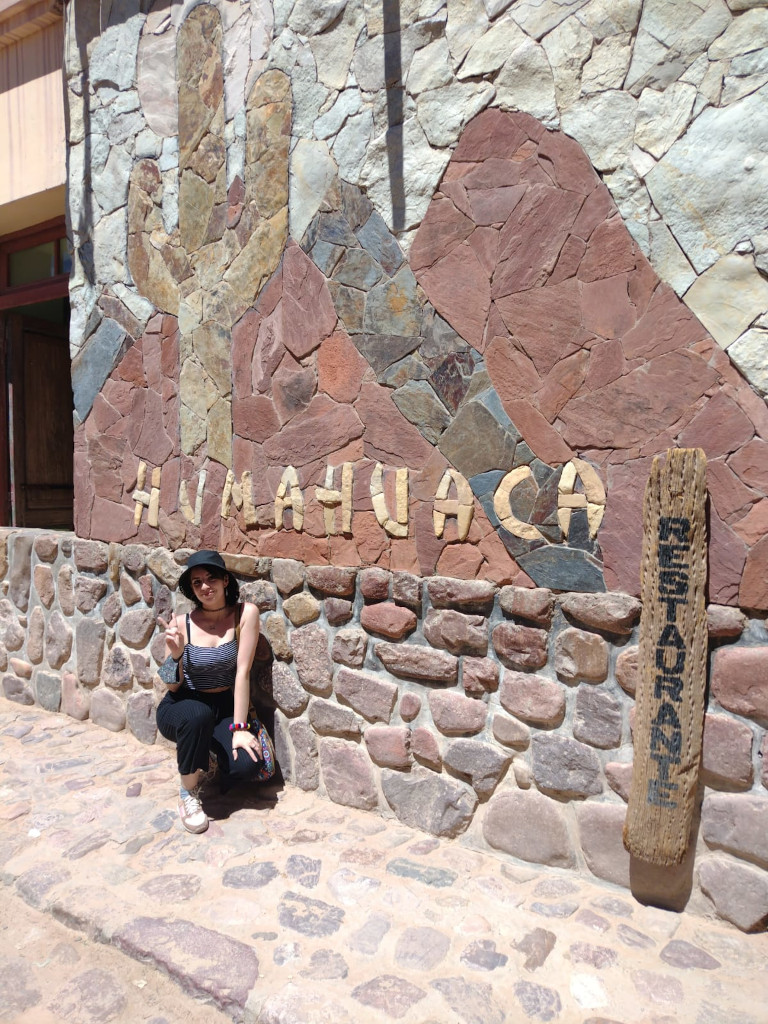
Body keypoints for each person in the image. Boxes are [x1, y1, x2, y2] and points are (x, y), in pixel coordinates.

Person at [156, 550, 272, 833]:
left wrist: (240, 729)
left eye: (211, 579)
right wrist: (176, 655)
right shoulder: (181, 623)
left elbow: (242, 673)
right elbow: (171, 685)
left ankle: (205, 756)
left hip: (222, 706)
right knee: (198, 715)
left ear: (225, 580)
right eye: (197, 582)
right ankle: (187, 793)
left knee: (247, 764)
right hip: (182, 706)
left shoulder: (245, 614)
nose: (205, 587)